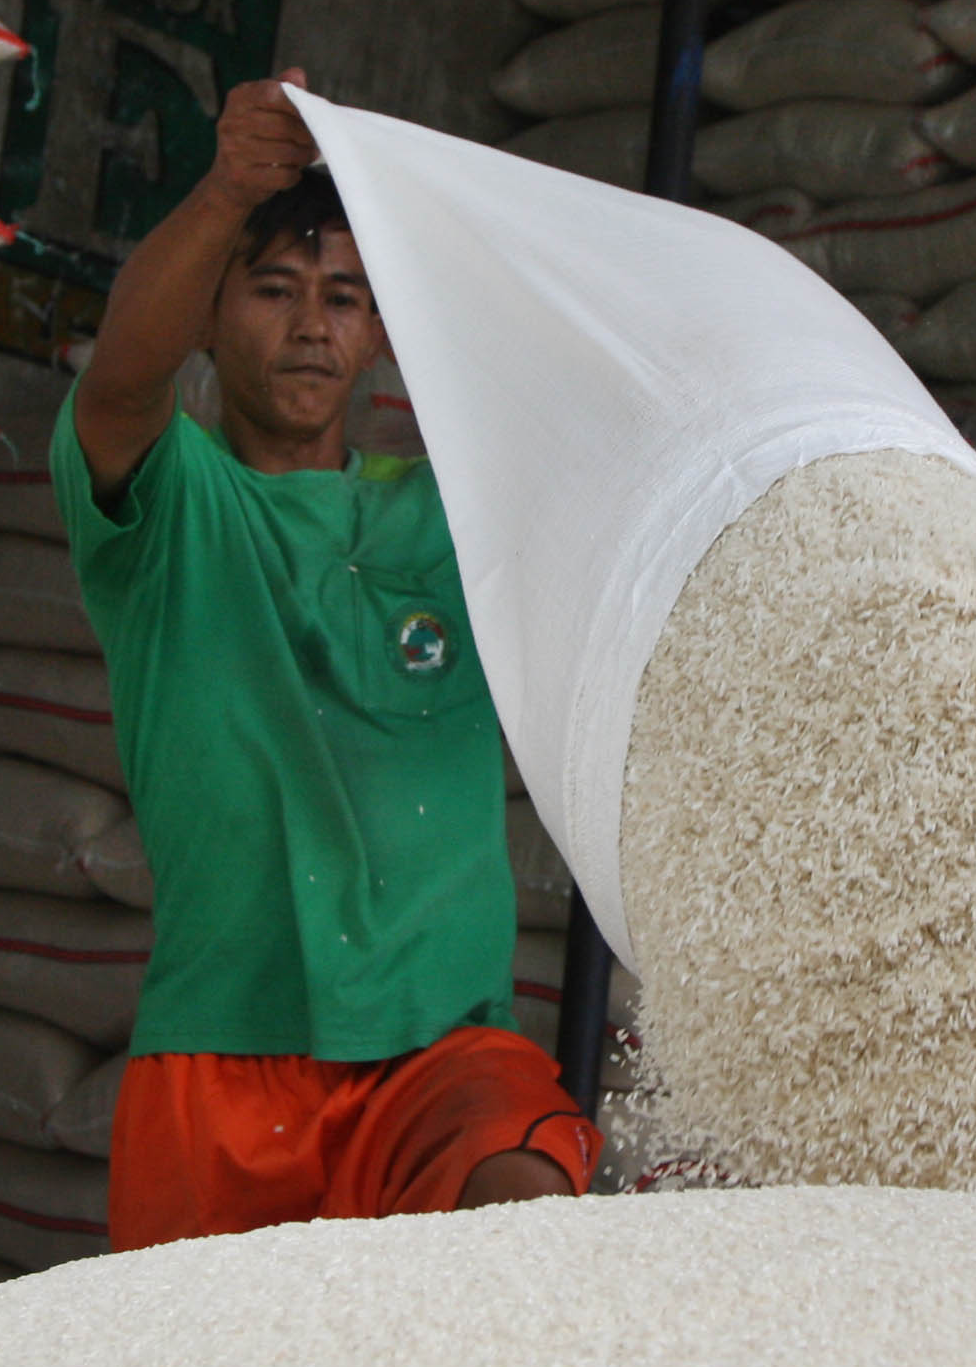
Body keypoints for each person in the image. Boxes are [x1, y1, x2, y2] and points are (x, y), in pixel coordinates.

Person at [54, 71, 599, 1250]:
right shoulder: (176, 508)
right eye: (275, 290)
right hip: (220, 1058)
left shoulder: (450, 520)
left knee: (526, 1213)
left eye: (345, 297)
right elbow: (122, 382)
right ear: (212, 311)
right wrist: (227, 190)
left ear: (380, 334)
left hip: (439, 1058)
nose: (312, 325)